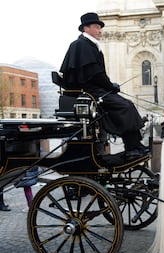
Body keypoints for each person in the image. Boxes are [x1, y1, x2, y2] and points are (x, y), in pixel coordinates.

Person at [59, 12, 147, 160]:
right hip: (90, 93)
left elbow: (96, 74)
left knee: (126, 104)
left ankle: (135, 144)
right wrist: (110, 86)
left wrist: (109, 86)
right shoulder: (81, 45)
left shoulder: (87, 45)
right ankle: (132, 147)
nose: (100, 30)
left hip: (93, 90)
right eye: (97, 27)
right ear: (86, 28)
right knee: (124, 106)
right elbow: (95, 74)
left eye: (100, 27)